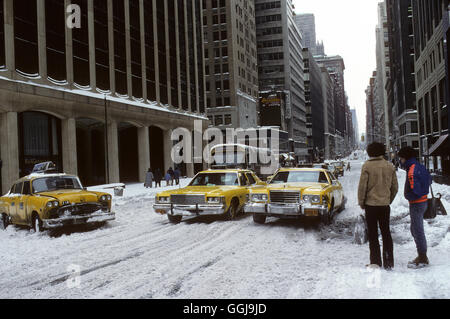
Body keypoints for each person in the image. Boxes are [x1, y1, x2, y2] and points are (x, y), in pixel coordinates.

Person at [358, 142, 398, 270]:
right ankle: (389, 262)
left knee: (373, 234)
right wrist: (388, 200)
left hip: (371, 206)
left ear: (370, 152)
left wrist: (362, 202)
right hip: (384, 205)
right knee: (386, 232)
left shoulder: (367, 166)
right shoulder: (389, 166)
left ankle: (375, 262)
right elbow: (395, 188)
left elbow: (362, 187)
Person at [398, 146, 432, 268]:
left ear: (405, 158)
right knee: (415, 229)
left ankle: (422, 257)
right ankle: (421, 254)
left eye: (401, 158)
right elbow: (430, 179)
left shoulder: (411, 169)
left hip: (417, 203)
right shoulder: (419, 166)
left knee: (417, 230)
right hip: (423, 202)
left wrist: (410, 196)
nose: (400, 161)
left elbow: (415, 188)